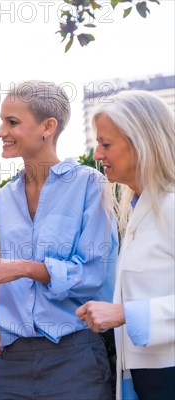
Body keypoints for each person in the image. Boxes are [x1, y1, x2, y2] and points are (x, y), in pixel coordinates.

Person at [0, 80, 118, 399]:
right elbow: (7, 285)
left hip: (74, 357)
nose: (0, 132)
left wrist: (25, 268)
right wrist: (0, 341)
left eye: (13, 122)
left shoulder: (90, 184)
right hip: (11, 360)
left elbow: (94, 274)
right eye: (2, 121)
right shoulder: (6, 197)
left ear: (48, 126)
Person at [76, 90, 175, 399]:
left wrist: (126, 314)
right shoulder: (136, 210)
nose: (97, 154)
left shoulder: (171, 206)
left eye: (106, 144)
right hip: (140, 377)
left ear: (141, 143)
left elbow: (129, 313)